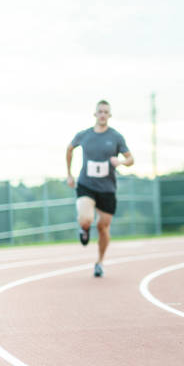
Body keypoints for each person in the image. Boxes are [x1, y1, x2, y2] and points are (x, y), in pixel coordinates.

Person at [66, 100, 134, 277]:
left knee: (103, 227)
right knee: (85, 219)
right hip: (86, 184)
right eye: (100, 111)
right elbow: (69, 148)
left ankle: (100, 262)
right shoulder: (85, 135)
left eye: (106, 112)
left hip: (107, 188)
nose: (102, 114)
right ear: (95, 114)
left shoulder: (116, 137)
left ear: (109, 115)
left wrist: (121, 162)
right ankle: (85, 229)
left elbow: (130, 159)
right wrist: (69, 174)